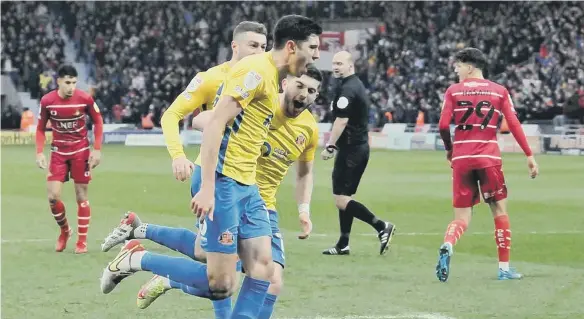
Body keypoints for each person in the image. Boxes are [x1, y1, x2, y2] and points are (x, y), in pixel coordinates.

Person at [99, 15, 322, 319]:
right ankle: (138, 258)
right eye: (314, 47)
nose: (318, 55)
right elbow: (215, 121)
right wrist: (208, 187)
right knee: (221, 284)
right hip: (224, 181)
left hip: (248, 186)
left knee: (263, 269)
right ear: (293, 47)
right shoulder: (255, 71)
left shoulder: (272, 76)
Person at [436, 47, 539, 282]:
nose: (456, 69)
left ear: (470, 67)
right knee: (499, 211)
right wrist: (529, 154)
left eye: (459, 65)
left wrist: (449, 149)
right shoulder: (499, 91)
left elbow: (443, 126)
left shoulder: (453, 91)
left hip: (462, 158)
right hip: (488, 157)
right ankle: (504, 269)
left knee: (461, 217)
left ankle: (448, 244)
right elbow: (513, 123)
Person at [159, 21, 268, 183]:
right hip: (217, 173)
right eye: (253, 45)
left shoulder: (265, 81)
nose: (259, 52)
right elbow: (171, 115)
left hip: (250, 178)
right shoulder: (211, 78)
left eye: (263, 47)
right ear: (235, 46)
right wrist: (178, 156)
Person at [321, 51, 395, 256]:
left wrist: (330, 145)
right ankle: (343, 243)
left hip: (352, 149)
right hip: (355, 148)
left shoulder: (348, 89)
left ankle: (381, 226)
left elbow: (341, 121)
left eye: (340, 63)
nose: (335, 67)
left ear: (350, 65)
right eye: (334, 63)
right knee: (344, 197)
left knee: (341, 200)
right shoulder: (352, 85)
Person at [35, 64, 103, 254]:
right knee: (52, 197)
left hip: (81, 151)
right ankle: (65, 231)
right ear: (58, 81)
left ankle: (82, 241)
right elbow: (40, 128)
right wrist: (39, 152)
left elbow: (98, 121)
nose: (71, 86)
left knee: (81, 196)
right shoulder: (47, 101)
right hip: (58, 152)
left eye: (74, 82)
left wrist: (97, 150)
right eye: (67, 82)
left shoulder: (84, 99)